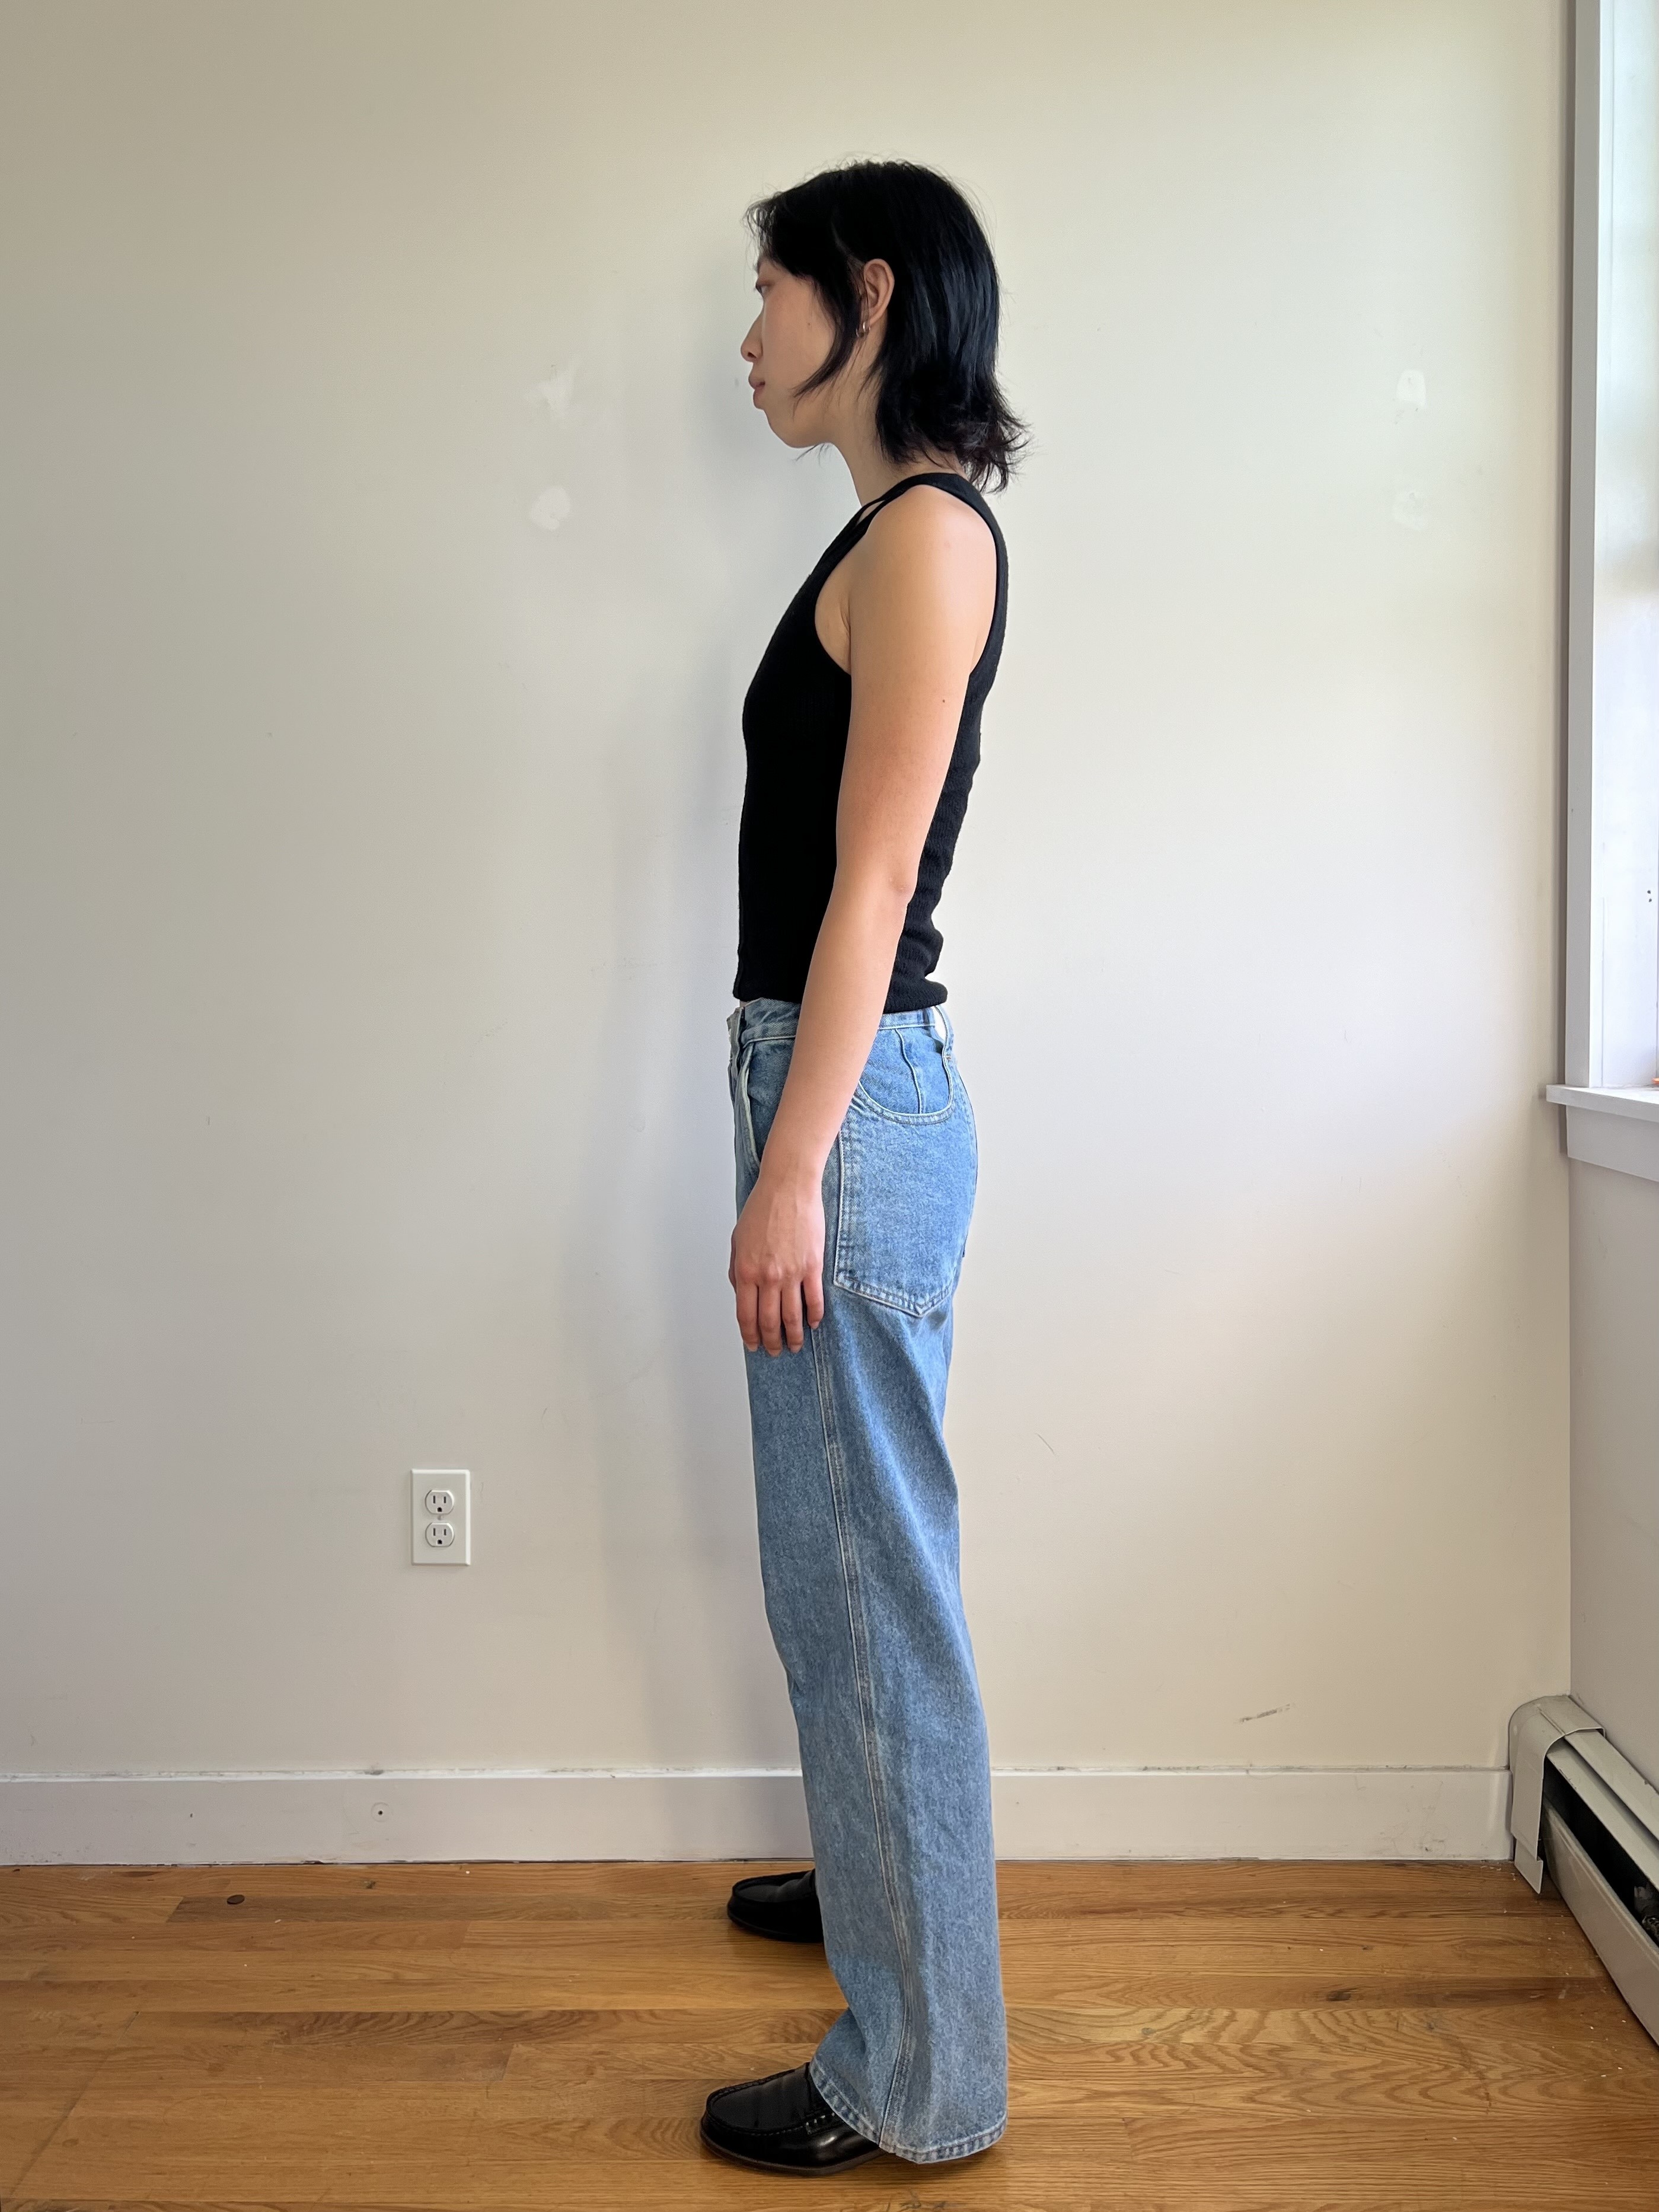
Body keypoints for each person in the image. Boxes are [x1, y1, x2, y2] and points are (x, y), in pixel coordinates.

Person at [697, 160, 1023, 2178]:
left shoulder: (924, 537)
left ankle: (918, 2078)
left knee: (872, 1585)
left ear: (871, 294)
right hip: (829, 1087)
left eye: (769, 291)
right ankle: (876, 1866)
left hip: (848, 1097)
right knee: (835, 1564)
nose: (745, 340)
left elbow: (874, 879)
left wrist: (791, 1165)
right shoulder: (896, 529)